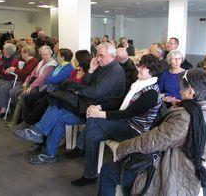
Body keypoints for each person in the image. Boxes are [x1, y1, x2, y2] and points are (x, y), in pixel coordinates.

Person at [99, 68, 206, 196]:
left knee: (108, 171)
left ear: (191, 92)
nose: (179, 92)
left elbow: (152, 142)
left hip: (172, 173)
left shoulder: (186, 117)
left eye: (181, 89)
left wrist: (121, 148)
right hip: (189, 167)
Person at [13, 43, 126, 164]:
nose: (98, 58)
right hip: (88, 103)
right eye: (97, 55)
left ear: (112, 56)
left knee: (58, 103)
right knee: (57, 107)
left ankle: (39, 135)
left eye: (101, 56)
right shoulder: (103, 67)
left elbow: (96, 92)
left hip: (98, 110)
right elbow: (87, 83)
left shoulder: (115, 71)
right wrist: (91, 70)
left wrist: (77, 91)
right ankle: (47, 149)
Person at [70, 54, 163, 187]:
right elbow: (120, 101)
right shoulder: (138, 84)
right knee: (91, 135)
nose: (138, 69)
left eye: (142, 67)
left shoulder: (151, 93)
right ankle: (89, 175)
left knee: (94, 120)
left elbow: (126, 113)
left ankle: (79, 146)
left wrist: (99, 114)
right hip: (124, 125)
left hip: (134, 131)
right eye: (139, 66)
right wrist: (99, 107)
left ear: (151, 72)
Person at [15, 48, 74, 126]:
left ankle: (28, 122)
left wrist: (49, 79)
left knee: (37, 102)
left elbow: (54, 79)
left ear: (63, 57)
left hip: (55, 91)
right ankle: (26, 120)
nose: (56, 57)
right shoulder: (59, 65)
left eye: (58, 55)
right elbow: (47, 76)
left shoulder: (68, 67)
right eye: (43, 54)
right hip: (49, 88)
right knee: (28, 98)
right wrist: (49, 78)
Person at [7, 46, 57, 127]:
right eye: (43, 55)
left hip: (41, 87)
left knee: (22, 96)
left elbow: (42, 78)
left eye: (47, 54)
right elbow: (33, 73)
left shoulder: (51, 65)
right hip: (33, 83)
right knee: (16, 93)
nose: (45, 56)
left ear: (50, 54)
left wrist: (31, 87)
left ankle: (22, 120)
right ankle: (19, 118)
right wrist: (26, 82)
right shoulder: (41, 62)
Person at [0, 45, 38, 118]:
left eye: (22, 53)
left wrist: (14, 69)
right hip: (17, 80)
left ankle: (6, 110)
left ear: (27, 53)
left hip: (21, 81)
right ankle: (1, 109)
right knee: (3, 88)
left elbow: (25, 72)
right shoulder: (24, 60)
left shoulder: (33, 61)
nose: (21, 54)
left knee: (5, 89)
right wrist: (12, 68)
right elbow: (17, 68)